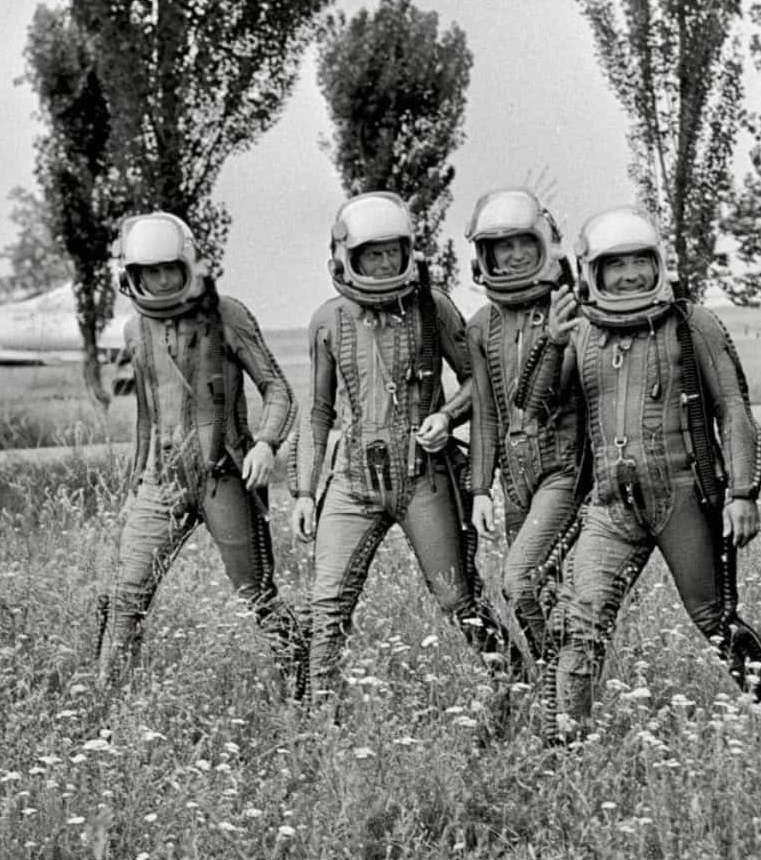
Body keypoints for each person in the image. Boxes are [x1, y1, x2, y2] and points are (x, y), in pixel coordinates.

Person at [539, 206, 761, 734]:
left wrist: (742, 492)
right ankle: (568, 742)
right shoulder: (581, 332)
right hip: (610, 506)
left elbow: (734, 410)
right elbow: (541, 408)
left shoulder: (693, 325)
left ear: (659, 263)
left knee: (714, 619)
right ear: (592, 273)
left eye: (640, 262)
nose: (629, 276)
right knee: (583, 622)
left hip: (683, 496)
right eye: (615, 266)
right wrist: (552, 344)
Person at [289, 191, 510, 700]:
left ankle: (511, 684)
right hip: (352, 482)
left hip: (424, 477)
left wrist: (446, 414)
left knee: (457, 598)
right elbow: (319, 411)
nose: (386, 262)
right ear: (348, 257)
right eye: (373, 254)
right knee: (327, 605)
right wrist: (304, 491)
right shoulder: (327, 321)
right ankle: (323, 719)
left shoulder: (433, 308)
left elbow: (481, 383)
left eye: (394, 251)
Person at [96, 211, 305, 695]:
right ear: (133, 275)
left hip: (223, 475)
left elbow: (277, 390)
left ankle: (306, 686)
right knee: (127, 595)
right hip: (161, 480)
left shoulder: (227, 314)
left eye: (170, 268)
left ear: (187, 265)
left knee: (256, 594)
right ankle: (107, 705)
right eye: (151, 272)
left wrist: (265, 445)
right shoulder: (135, 330)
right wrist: (134, 489)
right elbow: (146, 418)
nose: (163, 280)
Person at [465, 188, 586, 682]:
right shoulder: (480, 325)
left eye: (523, 244)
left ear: (544, 246)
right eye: (502, 247)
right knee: (545, 590)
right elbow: (486, 414)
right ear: (485, 257)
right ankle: (566, 689)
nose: (514, 256)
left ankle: (558, 676)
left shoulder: (573, 308)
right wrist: (479, 489)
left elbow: (563, 391)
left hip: (564, 467)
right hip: (514, 480)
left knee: (519, 581)